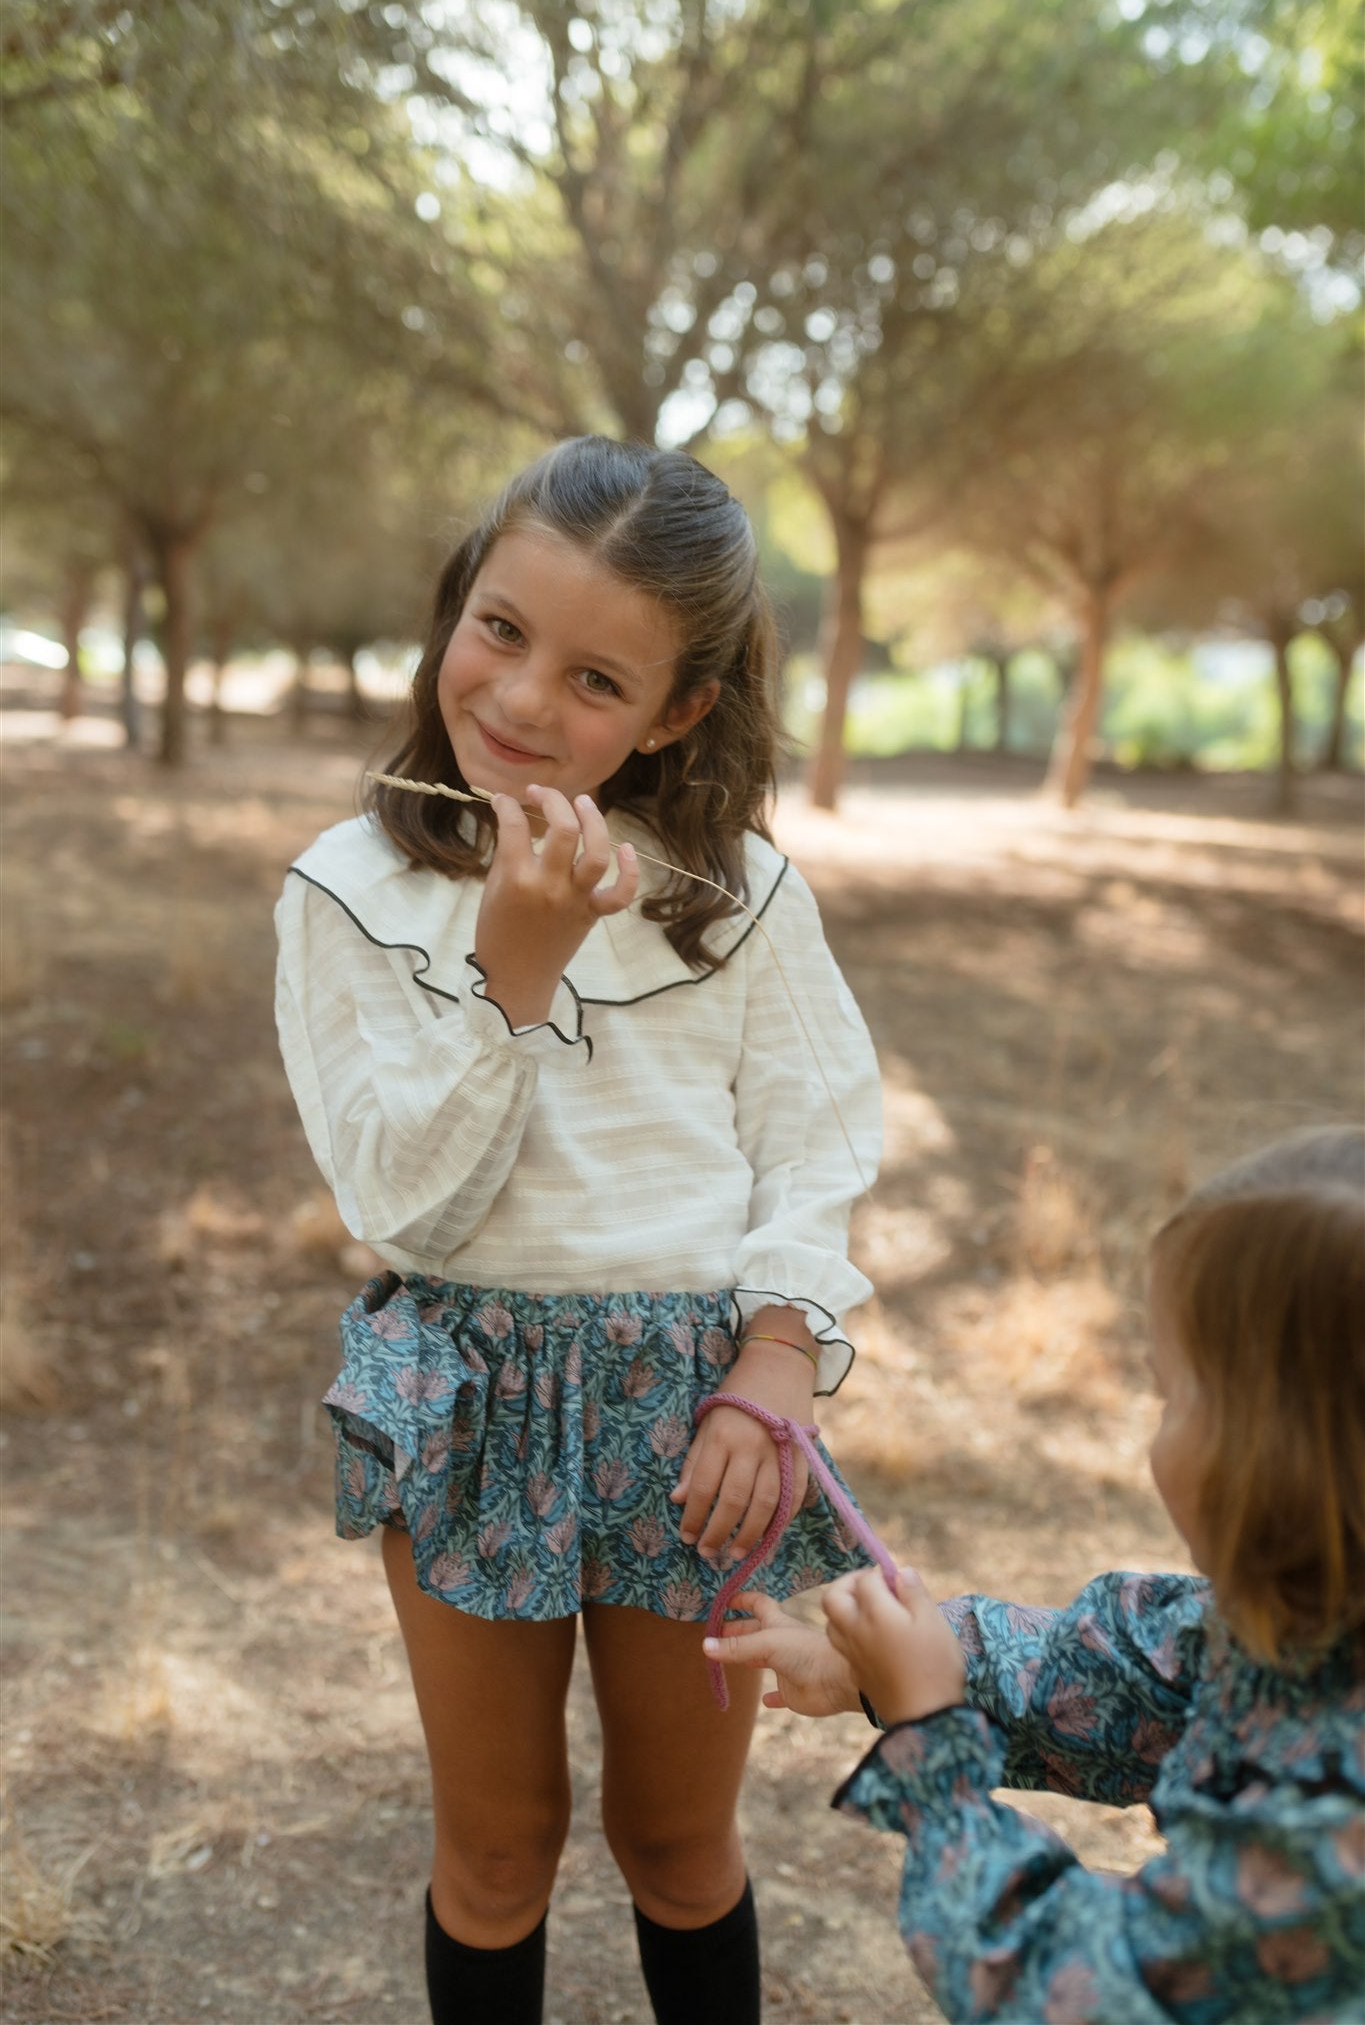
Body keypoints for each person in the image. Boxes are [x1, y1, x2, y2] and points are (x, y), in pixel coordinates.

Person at [273, 435, 882, 2025]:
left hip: (698, 1415)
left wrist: (773, 1362)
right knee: (500, 1846)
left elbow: (814, 1144)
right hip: (467, 1394)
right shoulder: (346, 891)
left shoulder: (737, 892)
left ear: (679, 710)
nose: (529, 702)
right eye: (500, 630)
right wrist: (514, 969)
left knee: (676, 1838)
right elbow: (396, 1204)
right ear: (453, 610)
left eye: (598, 679)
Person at [707, 1128, 1365, 2023]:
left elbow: (1070, 1989)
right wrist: (880, 1668)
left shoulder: (1329, 1826)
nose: (1154, 1430)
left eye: (1170, 1396)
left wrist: (930, 1742)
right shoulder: (1294, 1628)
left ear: (1276, 1456)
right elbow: (1114, 1677)